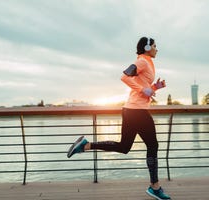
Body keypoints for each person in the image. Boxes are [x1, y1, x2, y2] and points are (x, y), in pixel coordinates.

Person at [67, 37, 171, 200]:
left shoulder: (148, 62)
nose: (157, 49)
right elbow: (124, 76)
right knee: (153, 145)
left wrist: (154, 87)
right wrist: (144, 90)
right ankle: (154, 187)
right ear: (147, 47)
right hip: (137, 111)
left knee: (124, 147)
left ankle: (86, 145)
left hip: (131, 110)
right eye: (155, 46)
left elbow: (142, 87)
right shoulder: (142, 62)